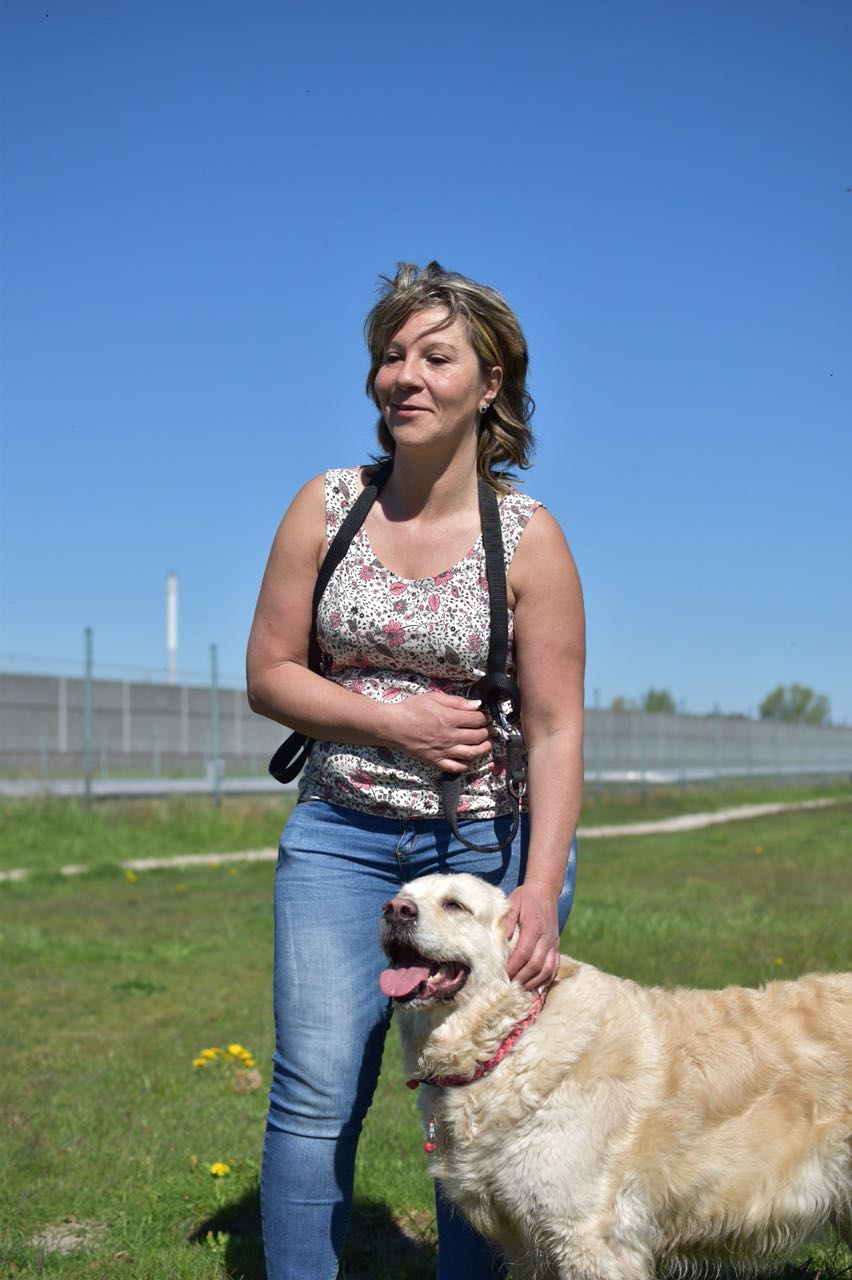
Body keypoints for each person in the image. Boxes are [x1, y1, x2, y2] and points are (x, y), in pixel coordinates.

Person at [246, 261, 585, 1280]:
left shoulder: (528, 539)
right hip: (340, 836)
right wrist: (393, 722)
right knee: (314, 1089)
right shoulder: (327, 507)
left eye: (437, 357)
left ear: (491, 385)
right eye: (392, 356)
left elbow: (557, 729)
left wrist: (537, 886)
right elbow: (269, 673)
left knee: (479, 1092)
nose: (406, 376)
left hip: (483, 850)